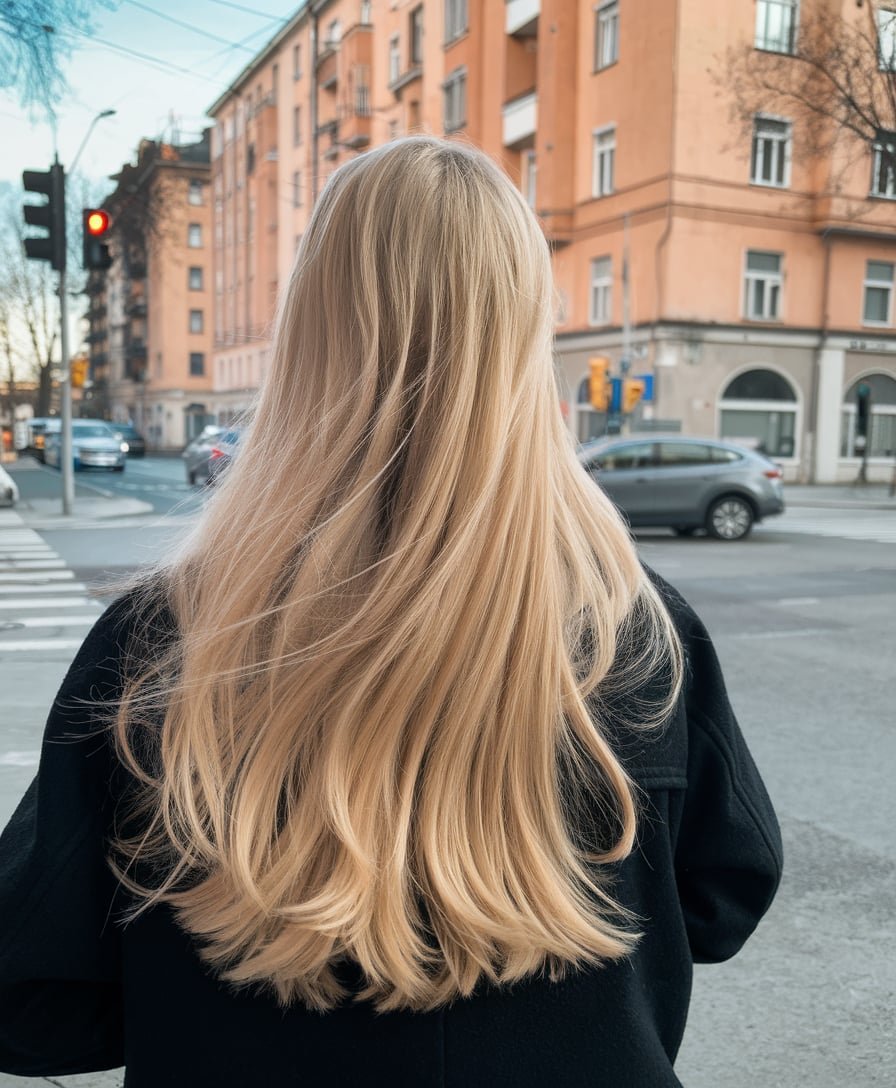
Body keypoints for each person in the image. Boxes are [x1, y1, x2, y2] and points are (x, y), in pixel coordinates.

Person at [0, 137, 782, 1087]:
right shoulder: (642, 631)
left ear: (309, 334)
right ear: (524, 339)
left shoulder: (159, 644)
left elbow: (35, 1001)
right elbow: (721, 898)